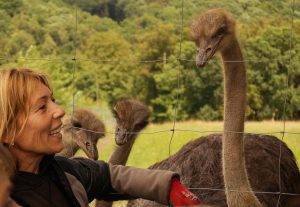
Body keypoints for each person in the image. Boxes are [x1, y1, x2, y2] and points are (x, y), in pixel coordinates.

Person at [0, 68, 200, 207]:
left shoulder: (62, 172)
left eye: (54, 100)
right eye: (42, 107)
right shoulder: (6, 194)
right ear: (7, 131)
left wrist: (169, 186)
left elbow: (111, 176)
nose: (59, 111)